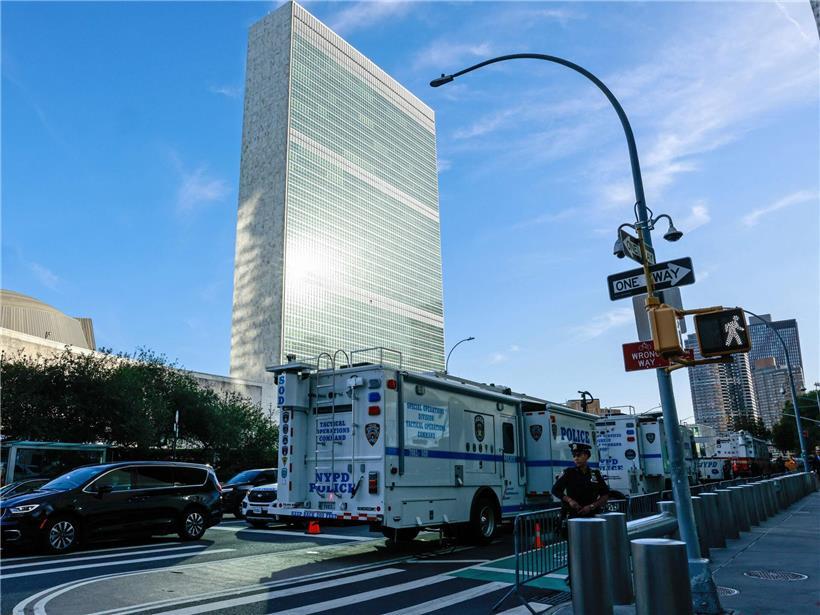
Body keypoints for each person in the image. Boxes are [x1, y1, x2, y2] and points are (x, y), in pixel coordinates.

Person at [552, 443, 610, 521]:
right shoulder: (569, 473)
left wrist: (591, 506)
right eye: (574, 456)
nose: (576, 458)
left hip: (592, 516)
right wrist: (569, 500)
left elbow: (605, 494)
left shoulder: (595, 474)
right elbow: (555, 490)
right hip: (573, 517)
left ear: (586, 456)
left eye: (579, 455)